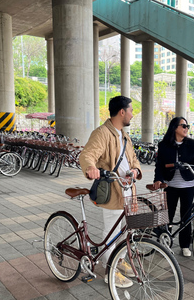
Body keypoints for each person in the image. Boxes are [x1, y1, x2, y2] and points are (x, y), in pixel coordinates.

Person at [79, 96, 142, 288]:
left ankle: (119, 260)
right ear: (122, 112)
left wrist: (135, 170)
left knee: (126, 230)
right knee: (112, 231)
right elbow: (88, 154)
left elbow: (134, 160)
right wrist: (91, 167)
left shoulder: (124, 135)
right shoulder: (102, 133)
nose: (132, 114)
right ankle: (110, 270)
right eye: (131, 110)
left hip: (128, 190)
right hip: (113, 190)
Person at [153, 117, 194, 257]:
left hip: (188, 185)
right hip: (170, 185)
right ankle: (165, 242)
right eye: (183, 126)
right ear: (175, 128)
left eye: (187, 126)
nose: (186, 128)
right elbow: (160, 165)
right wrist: (158, 179)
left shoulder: (192, 144)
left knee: (186, 216)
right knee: (168, 215)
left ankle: (185, 245)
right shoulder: (164, 145)